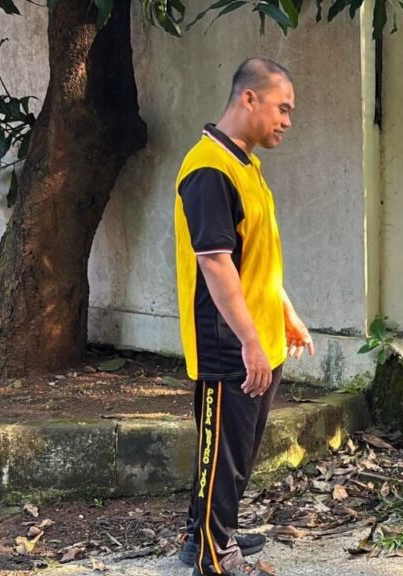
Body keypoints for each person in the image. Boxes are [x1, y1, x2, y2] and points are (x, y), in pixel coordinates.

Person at [173, 58, 314, 576]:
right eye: (282, 108)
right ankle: (212, 556)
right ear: (248, 99)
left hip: (259, 335)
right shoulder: (209, 169)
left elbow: (255, 254)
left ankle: (209, 534)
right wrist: (249, 342)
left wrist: (286, 312)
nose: (287, 120)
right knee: (222, 455)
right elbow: (214, 263)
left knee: (236, 454)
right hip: (228, 341)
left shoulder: (246, 165)